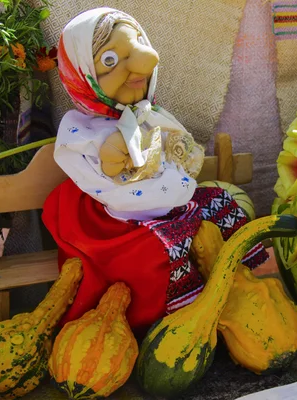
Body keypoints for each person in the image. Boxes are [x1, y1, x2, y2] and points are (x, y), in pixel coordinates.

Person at [42, 7, 268, 335]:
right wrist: (112, 155)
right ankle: (185, 321)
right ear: (83, 77)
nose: (142, 61)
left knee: (220, 201)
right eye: (109, 61)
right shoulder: (85, 131)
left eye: (136, 43)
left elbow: (182, 155)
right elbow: (103, 178)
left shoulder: (150, 114)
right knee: (162, 248)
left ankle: (246, 284)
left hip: (170, 205)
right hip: (123, 222)